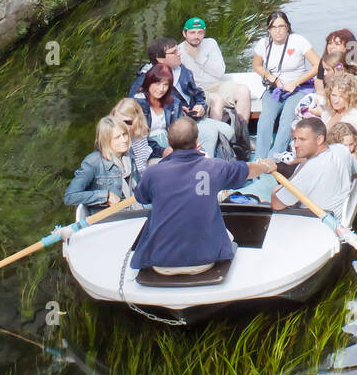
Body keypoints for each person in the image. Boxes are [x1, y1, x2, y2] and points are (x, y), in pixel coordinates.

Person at [131, 116, 278, 275]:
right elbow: (248, 170)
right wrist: (265, 166)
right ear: (197, 141)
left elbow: (141, 197)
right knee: (228, 235)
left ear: (169, 142)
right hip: (204, 259)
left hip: (160, 260)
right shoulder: (215, 167)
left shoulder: (152, 173)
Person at [130, 37, 230, 156]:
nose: (179, 54)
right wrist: (161, 151)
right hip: (172, 130)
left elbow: (197, 94)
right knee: (210, 133)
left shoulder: (182, 70)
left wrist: (200, 106)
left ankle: (212, 157)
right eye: (174, 52)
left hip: (189, 118)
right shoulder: (142, 89)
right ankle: (204, 163)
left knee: (228, 131)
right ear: (160, 59)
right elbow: (137, 136)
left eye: (178, 50)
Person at [252, 10, 320, 159]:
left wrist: (295, 82)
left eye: (281, 26)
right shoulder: (263, 44)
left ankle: (275, 157)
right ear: (269, 29)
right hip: (275, 89)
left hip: (298, 88)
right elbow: (256, 65)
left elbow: (318, 65)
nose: (277, 31)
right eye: (273, 27)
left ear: (287, 27)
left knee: (287, 118)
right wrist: (271, 77)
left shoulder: (298, 41)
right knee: (265, 119)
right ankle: (259, 158)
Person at [270, 118, 357, 217]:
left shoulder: (309, 169)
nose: (296, 145)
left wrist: (275, 190)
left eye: (302, 140)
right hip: (342, 215)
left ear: (319, 140)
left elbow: (277, 204)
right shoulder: (341, 149)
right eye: (295, 139)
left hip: (316, 221)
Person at [179, 16, 252, 123]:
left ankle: (242, 129)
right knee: (218, 99)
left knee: (243, 91)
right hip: (199, 90)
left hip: (217, 85)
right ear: (184, 33)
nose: (196, 36)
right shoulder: (179, 51)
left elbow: (220, 72)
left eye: (200, 32)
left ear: (204, 32)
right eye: (192, 33)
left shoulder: (211, 44)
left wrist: (199, 57)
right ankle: (217, 132)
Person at [64, 116, 139, 212]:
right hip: (110, 217)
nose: (124, 140)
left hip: (136, 212)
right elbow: (70, 197)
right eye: (117, 137)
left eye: (124, 134)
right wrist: (105, 196)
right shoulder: (93, 162)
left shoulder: (129, 156)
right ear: (106, 141)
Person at [134, 64, 185, 157]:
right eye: (157, 83)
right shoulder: (138, 104)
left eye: (165, 85)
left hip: (172, 146)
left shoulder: (173, 103)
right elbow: (137, 138)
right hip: (148, 151)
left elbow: (181, 129)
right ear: (149, 82)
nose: (161, 89)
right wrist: (161, 151)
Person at [315, 29, 357, 95]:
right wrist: (322, 96)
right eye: (329, 43)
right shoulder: (325, 61)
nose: (332, 47)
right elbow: (319, 80)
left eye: (337, 44)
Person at [316, 75, 357, 148]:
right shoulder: (333, 110)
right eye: (334, 95)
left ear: (351, 97)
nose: (336, 101)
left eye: (341, 96)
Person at [111, 97, 155, 173]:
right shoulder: (111, 137)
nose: (122, 126)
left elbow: (140, 166)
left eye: (127, 122)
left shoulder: (139, 137)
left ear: (137, 121)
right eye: (118, 122)